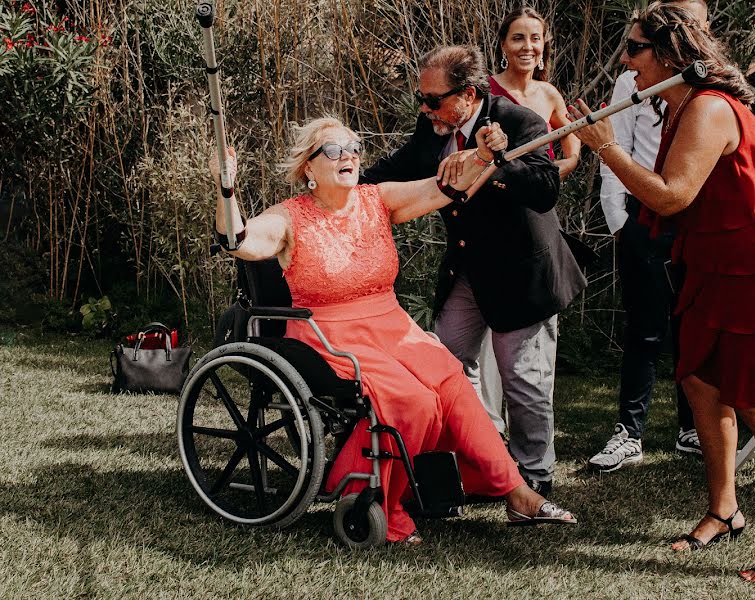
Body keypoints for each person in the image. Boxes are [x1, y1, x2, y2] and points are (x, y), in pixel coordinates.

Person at [209, 116, 576, 545]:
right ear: (308, 168)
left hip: (391, 324)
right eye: (333, 150)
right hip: (329, 333)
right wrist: (226, 190)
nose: (348, 155)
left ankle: (517, 494)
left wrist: (481, 156)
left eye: (353, 146)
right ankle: (378, 497)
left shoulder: (377, 199)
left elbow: (443, 187)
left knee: (451, 381)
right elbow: (239, 241)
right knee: (414, 401)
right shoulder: (289, 217)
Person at [569, 1, 755, 585]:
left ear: (669, 55)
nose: (626, 59)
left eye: (635, 48)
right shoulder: (677, 106)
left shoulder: (710, 109)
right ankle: (725, 509)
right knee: (700, 382)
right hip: (715, 265)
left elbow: (670, 196)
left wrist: (605, 146)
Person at [361, 45, 587, 498]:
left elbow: (544, 191)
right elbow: (392, 169)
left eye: (433, 100)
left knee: (523, 379)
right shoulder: (432, 128)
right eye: (421, 100)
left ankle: (536, 473)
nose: (424, 109)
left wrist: (497, 161)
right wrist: (340, 186)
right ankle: (487, 451)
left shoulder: (519, 122)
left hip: (523, 274)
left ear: (467, 95)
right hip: (468, 269)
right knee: (444, 360)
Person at [588, 0, 708, 473]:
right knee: (645, 327)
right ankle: (629, 433)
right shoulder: (633, 80)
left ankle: (692, 427)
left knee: (694, 327)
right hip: (643, 215)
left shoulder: (710, 85)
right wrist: (620, 220)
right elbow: (614, 147)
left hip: (695, 219)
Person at [474, 7, 582, 447]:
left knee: (536, 342)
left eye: (535, 38)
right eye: (517, 38)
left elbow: (572, 150)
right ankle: (489, 436)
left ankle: (533, 442)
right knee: (486, 342)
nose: (527, 47)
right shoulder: (485, 94)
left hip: (536, 221)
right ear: (502, 45)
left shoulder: (550, 95)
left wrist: (545, 177)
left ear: (544, 46)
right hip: (489, 223)